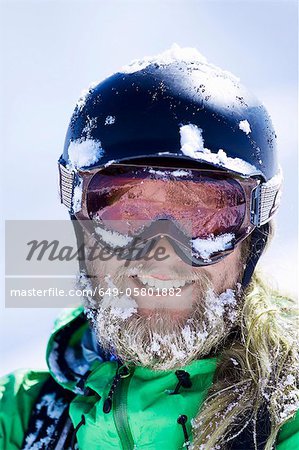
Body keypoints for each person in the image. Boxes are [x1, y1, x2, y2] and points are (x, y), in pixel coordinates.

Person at [0, 45, 298, 450]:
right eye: (129, 215)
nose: (163, 256)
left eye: (203, 218)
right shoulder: (20, 420)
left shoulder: (287, 418)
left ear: (253, 238)